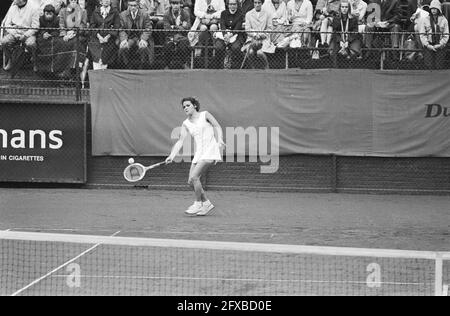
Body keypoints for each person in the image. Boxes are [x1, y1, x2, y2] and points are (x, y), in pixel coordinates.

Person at [165, 97, 225, 216]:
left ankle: (198, 203)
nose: (185, 108)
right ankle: (206, 203)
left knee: (194, 177)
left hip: (210, 150)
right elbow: (180, 141)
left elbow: (217, 126)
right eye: (184, 107)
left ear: (195, 106)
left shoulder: (205, 115)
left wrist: (220, 140)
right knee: (190, 181)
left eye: (188, 105)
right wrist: (171, 155)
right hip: (199, 153)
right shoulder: (185, 123)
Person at [1, 0, 40, 72]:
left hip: (28, 33)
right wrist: (14, 33)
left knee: (31, 44)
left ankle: (35, 63)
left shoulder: (33, 8)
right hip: (15, 32)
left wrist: (25, 35)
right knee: (4, 42)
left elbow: (35, 27)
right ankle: (11, 60)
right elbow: (7, 24)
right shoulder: (12, 8)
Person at [118, 0, 154, 69]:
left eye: (135, 5)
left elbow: (148, 28)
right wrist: (124, 39)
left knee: (143, 47)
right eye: (131, 5)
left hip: (140, 37)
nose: (133, 7)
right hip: (129, 37)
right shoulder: (123, 15)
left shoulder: (144, 14)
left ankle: (142, 65)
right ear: (128, 6)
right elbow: (121, 29)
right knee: (123, 47)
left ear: (138, 5)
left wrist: (143, 39)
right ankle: (127, 65)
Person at [58, 0, 88, 79]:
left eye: (75, 1)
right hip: (66, 35)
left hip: (79, 35)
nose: (73, 2)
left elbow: (83, 25)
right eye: (72, 1)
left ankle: (73, 71)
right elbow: (61, 24)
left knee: (75, 42)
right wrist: (65, 34)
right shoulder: (62, 11)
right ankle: (63, 70)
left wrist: (74, 32)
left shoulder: (83, 11)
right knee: (61, 42)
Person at [88, 0, 120, 70]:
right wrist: (99, 36)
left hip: (109, 39)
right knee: (97, 57)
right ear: (100, 2)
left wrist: (108, 37)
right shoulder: (96, 11)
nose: (106, 1)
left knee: (106, 56)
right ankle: (97, 76)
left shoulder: (114, 12)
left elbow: (116, 26)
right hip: (96, 38)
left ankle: (104, 76)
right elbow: (92, 26)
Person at [213, 0, 245, 68]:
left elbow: (237, 27)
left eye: (234, 4)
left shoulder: (240, 14)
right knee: (218, 47)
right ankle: (218, 67)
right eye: (231, 4)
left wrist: (229, 35)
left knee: (236, 47)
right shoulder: (223, 13)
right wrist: (225, 35)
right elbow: (222, 25)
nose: (232, 6)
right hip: (224, 35)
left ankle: (235, 67)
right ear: (228, 5)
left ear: (237, 5)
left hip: (235, 35)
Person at [242, 0, 274, 69]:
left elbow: (269, 28)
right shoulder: (248, 14)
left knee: (260, 53)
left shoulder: (267, 14)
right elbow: (247, 29)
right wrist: (255, 34)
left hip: (264, 39)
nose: (257, 5)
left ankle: (266, 66)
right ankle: (253, 68)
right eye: (255, 3)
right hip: (252, 39)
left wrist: (262, 35)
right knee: (250, 52)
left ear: (262, 3)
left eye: (259, 3)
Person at [162, 0, 192, 69]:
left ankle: (184, 64)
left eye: (177, 3)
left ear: (180, 4)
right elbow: (167, 30)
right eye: (173, 3)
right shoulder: (166, 14)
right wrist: (180, 27)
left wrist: (174, 26)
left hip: (182, 37)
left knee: (183, 45)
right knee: (168, 46)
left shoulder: (185, 13)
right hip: (170, 37)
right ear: (171, 4)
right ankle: (167, 65)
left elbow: (187, 28)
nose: (175, 5)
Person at [419, 0, 449, 69]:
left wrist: (440, 44)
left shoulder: (444, 20)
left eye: (435, 8)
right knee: (429, 66)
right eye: (432, 8)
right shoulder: (425, 20)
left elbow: (446, 34)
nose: (433, 10)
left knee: (439, 66)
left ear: (439, 9)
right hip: (429, 45)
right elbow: (422, 34)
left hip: (440, 46)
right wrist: (427, 45)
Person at [35, 4, 60, 73]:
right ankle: (40, 66)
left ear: (53, 14)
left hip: (53, 38)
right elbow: (39, 29)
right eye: (47, 13)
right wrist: (44, 33)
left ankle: (52, 66)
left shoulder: (57, 19)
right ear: (44, 13)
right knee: (38, 41)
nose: (48, 15)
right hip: (43, 38)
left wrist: (51, 35)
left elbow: (58, 30)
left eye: (50, 14)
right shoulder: (41, 19)